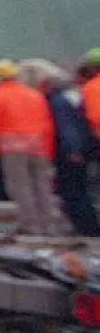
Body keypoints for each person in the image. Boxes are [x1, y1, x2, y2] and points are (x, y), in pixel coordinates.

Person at [0, 60, 62, 236]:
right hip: (38, 146)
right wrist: (48, 149)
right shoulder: (34, 94)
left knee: (21, 186)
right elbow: (47, 124)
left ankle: (31, 226)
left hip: (13, 148)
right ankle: (50, 224)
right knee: (42, 185)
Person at [41, 62, 100, 236]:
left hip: (68, 153)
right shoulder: (69, 99)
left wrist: (73, 150)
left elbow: (67, 128)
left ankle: (88, 228)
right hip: (79, 149)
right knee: (80, 190)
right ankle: (89, 226)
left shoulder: (56, 102)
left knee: (73, 192)